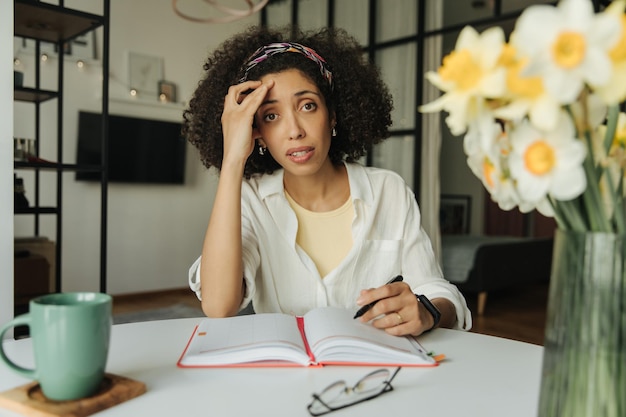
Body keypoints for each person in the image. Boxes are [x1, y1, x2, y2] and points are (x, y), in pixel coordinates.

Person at [183, 25, 471, 336]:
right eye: (271, 116)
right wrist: (233, 160)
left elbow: (437, 291)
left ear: (332, 115)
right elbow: (218, 305)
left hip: (379, 372)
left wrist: (427, 311)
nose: (294, 130)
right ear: (257, 132)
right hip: (288, 377)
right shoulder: (250, 199)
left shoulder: (388, 190)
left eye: (307, 106)